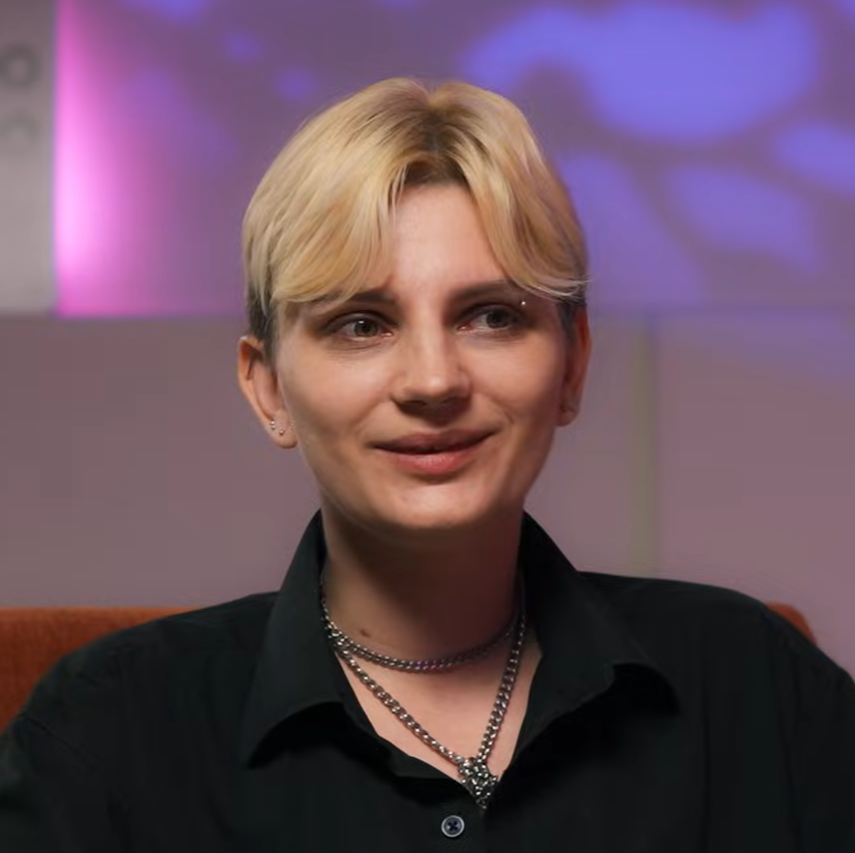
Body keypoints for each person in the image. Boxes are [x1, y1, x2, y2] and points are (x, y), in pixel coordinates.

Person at [1, 78, 853, 852]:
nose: (434, 380)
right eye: (361, 324)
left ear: (573, 363)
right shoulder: (107, 727)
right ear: (268, 389)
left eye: (491, 315)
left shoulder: (755, 686)